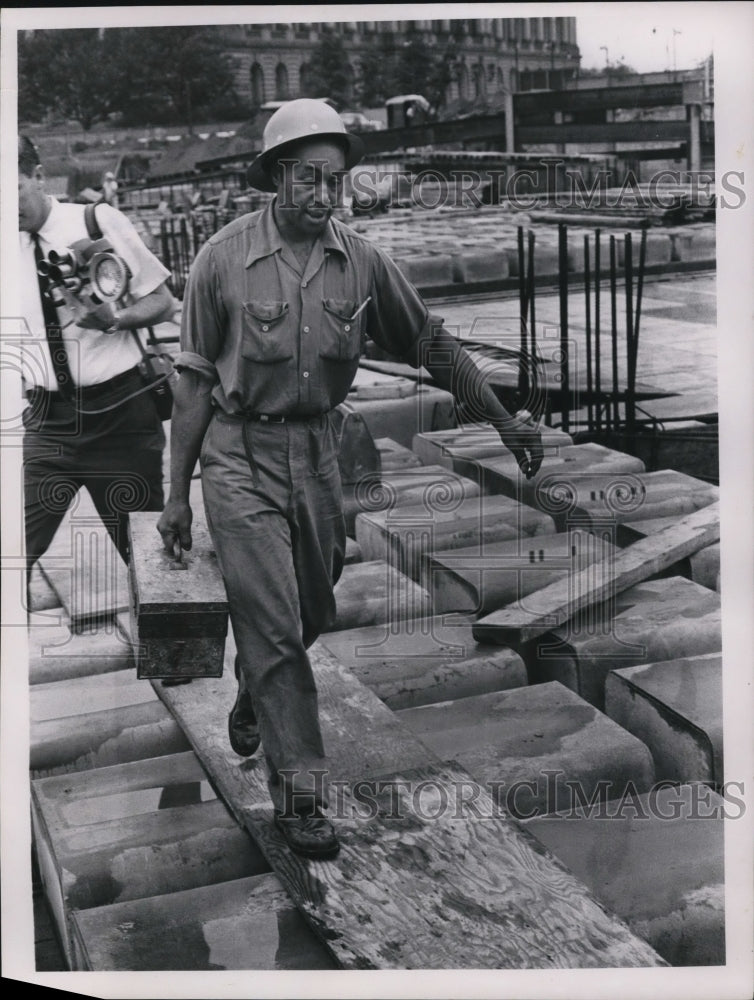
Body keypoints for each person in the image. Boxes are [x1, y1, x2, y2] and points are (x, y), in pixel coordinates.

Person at [157, 99, 543, 860]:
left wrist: (504, 421)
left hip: (319, 453)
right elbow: (194, 382)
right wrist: (176, 494)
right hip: (238, 456)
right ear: (276, 176)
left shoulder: (361, 260)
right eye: (308, 177)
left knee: (313, 606)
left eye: (335, 180)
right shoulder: (221, 259)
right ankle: (300, 797)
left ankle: (255, 690)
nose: (324, 193)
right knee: (274, 628)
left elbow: (431, 344)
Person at [18, 134, 174, 571]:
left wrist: (114, 319)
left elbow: (163, 302)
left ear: (39, 176)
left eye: (12, 189)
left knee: (146, 559)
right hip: (46, 424)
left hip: (119, 417)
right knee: (13, 556)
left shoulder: (94, 221)